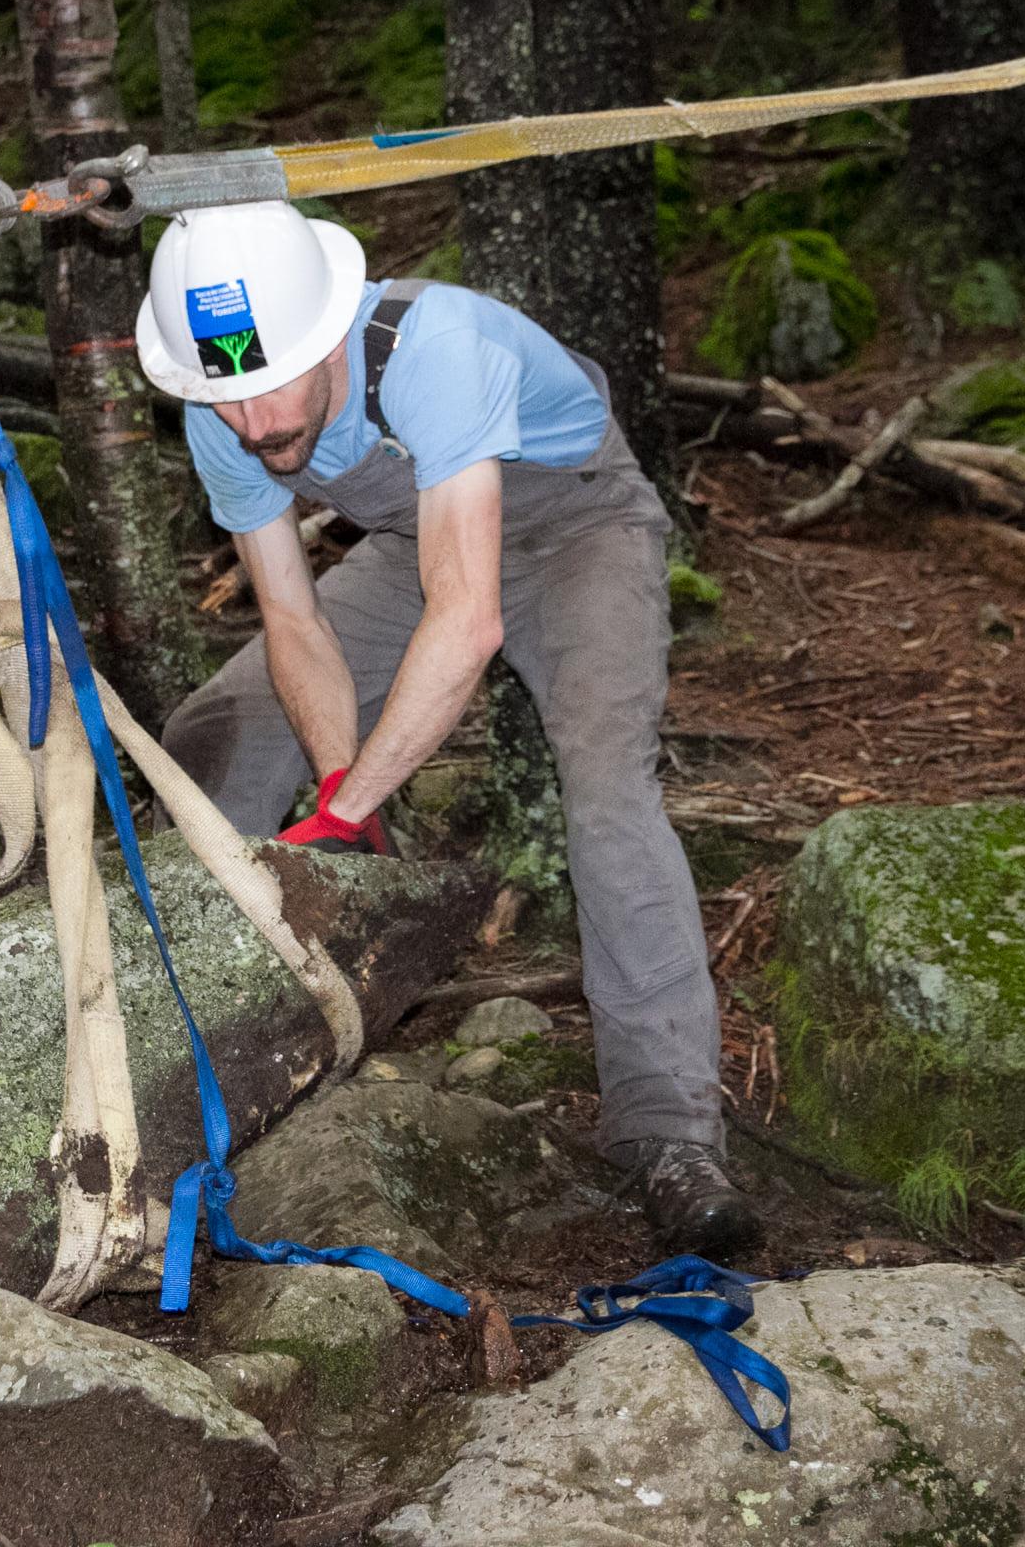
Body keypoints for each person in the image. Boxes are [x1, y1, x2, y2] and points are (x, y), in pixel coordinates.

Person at [134, 200, 759, 1260]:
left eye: (270, 385)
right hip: (413, 536)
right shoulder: (222, 404)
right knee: (221, 727)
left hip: (578, 530)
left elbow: (464, 618)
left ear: (326, 335)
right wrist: (342, 789)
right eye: (223, 397)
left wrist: (350, 808)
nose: (252, 423)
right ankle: (163, 1052)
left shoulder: (435, 349)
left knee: (606, 795)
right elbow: (289, 615)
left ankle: (667, 1136)